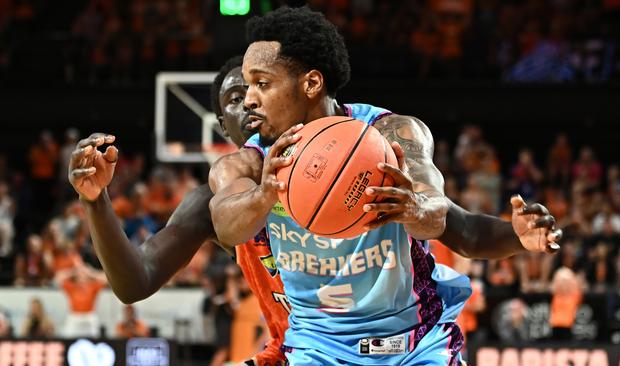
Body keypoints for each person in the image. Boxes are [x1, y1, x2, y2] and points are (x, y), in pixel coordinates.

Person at [208, 6, 561, 365]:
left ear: (311, 84)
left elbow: (449, 221)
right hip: (318, 348)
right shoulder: (250, 165)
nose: (250, 99)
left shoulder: (389, 135)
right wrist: (267, 191)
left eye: (262, 84)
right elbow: (226, 224)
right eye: (248, 86)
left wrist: (417, 210)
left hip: (414, 344)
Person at [67, 56, 289, 365]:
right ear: (222, 126)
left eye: (260, 88)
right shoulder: (209, 202)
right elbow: (136, 281)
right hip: (297, 350)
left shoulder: (344, 167)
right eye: (236, 98)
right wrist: (95, 200)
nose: (250, 102)